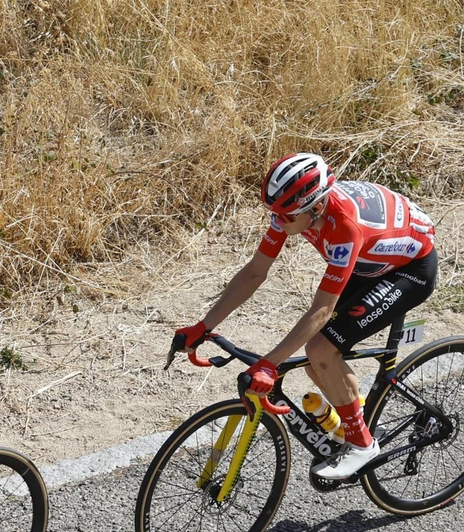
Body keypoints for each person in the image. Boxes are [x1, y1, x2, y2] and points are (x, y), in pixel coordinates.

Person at [175, 153, 439, 480]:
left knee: (320, 350)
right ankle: (364, 418)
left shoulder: (344, 227)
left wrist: (269, 364)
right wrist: (203, 326)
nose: (277, 221)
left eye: (285, 215)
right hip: (371, 260)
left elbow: (322, 310)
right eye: (274, 212)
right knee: (320, 359)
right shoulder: (297, 213)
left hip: (410, 270)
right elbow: (255, 273)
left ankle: (362, 444)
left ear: (314, 207)